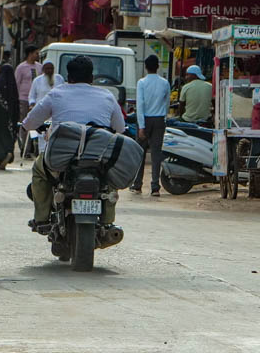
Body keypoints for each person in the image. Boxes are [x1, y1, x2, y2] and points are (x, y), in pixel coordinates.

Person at [21, 54, 126, 239]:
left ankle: (42, 219)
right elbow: (120, 128)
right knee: (109, 181)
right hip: (98, 159)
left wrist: (30, 125)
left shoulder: (56, 94)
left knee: (39, 171)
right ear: (91, 78)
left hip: (61, 160)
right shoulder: (107, 96)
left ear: (68, 77)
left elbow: (29, 123)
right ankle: (107, 221)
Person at [134, 54, 170, 195]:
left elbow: (140, 104)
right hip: (159, 119)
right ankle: (155, 186)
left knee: (140, 153)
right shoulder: (164, 83)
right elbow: (166, 103)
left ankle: (137, 184)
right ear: (158, 67)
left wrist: (142, 126)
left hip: (145, 119)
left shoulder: (142, 83)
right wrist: (164, 116)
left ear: (145, 67)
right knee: (156, 153)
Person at [0, 63, 20, 170]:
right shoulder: (13, 87)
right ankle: (9, 152)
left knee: (0, 138)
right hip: (11, 117)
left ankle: (3, 157)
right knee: (9, 137)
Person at [15, 46, 40, 117]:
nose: (38, 55)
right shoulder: (21, 67)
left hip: (36, 99)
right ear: (30, 54)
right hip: (23, 99)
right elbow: (17, 83)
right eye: (36, 53)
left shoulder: (39, 67)